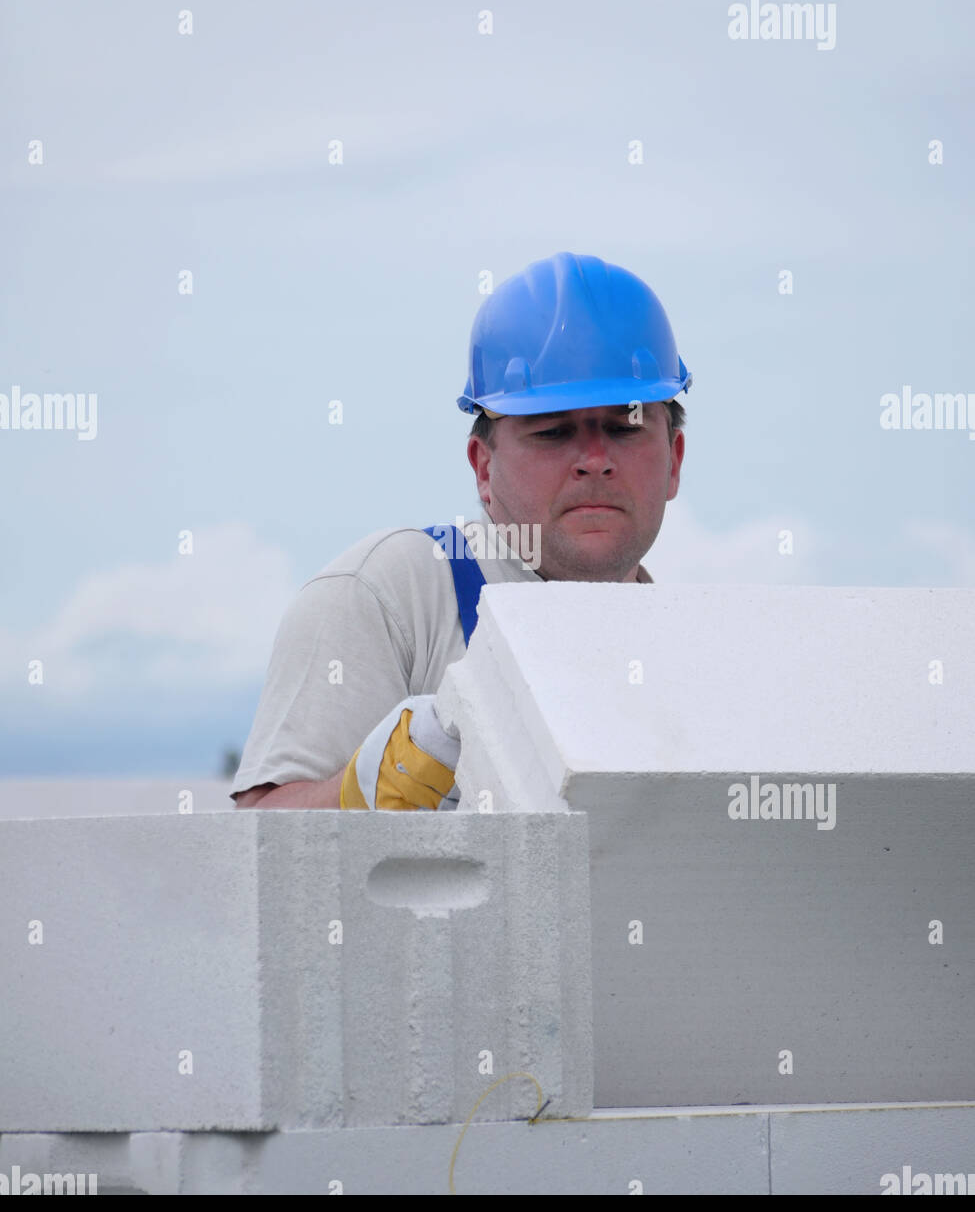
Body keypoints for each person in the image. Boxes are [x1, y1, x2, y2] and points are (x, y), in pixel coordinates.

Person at [232, 250, 690, 812]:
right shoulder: (389, 593)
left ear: (675, 460)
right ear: (483, 467)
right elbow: (254, 841)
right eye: (552, 432)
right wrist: (357, 796)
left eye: (625, 427)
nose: (594, 460)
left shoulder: (688, 645)